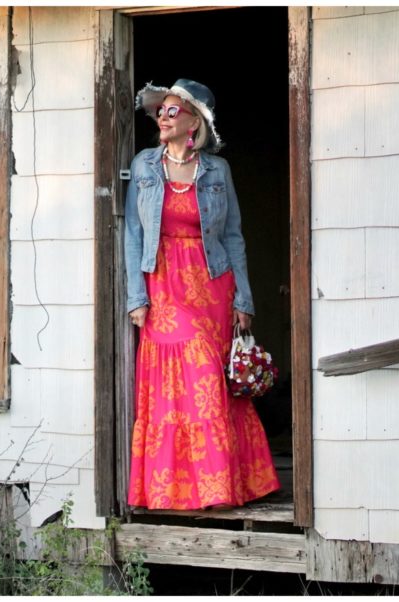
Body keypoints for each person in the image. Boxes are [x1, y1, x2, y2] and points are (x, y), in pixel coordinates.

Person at [124, 79, 280, 510]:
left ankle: (217, 486)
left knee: (211, 382)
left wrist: (243, 300)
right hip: (163, 284)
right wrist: (136, 296)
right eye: (161, 111)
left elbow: (233, 236)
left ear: (194, 122)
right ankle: (173, 489)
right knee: (182, 380)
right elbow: (133, 234)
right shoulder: (143, 166)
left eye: (173, 111)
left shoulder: (217, 172)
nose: (163, 117)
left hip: (212, 284)